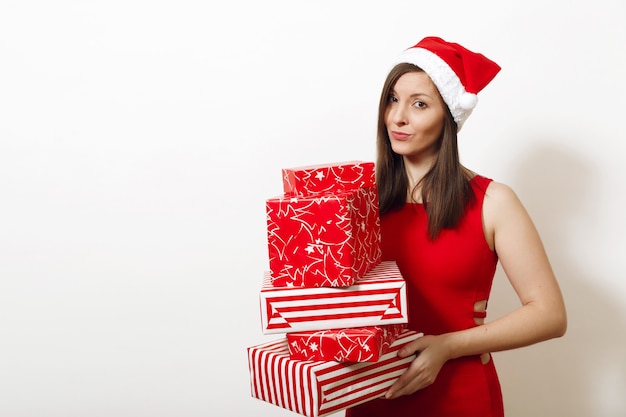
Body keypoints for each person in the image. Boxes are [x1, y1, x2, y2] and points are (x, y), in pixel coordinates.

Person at [345, 36, 567, 417]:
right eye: (392, 99)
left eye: (419, 104)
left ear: (449, 116)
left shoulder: (493, 202)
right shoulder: (359, 201)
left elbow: (549, 314)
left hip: (458, 396)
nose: (398, 117)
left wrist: (447, 345)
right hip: (374, 394)